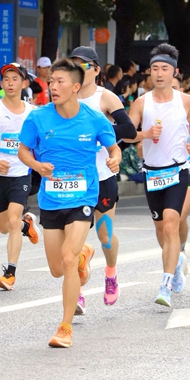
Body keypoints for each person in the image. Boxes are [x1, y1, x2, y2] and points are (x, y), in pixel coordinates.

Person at [17, 58, 120, 347]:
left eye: (60, 81)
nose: (53, 86)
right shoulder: (38, 118)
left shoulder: (94, 119)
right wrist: (36, 166)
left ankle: (65, 327)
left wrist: (114, 160)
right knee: (57, 269)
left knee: (67, 258)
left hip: (83, 196)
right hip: (51, 199)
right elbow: (23, 151)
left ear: (76, 86)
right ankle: (85, 254)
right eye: (51, 82)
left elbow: (114, 150)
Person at [127, 44, 190, 307]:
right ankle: (175, 261)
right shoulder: (141, 103)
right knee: (160, 229)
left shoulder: (185, 100)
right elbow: (128, 133)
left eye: (164, 69)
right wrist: (144, 135)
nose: (159, 73)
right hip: (153, 173)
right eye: (154, 69)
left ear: (174, 72)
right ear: (149, 73)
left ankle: (165, 283)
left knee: (170, 223)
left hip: (178, 170)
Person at [69, 46, 138, 309]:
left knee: (104, 235)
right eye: (74, 65)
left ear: (96, 70)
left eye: (84, 65)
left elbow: (129, 130)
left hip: (103, 174)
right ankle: (75, 294)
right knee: (72, 241)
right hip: (73, 177)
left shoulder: (105, 97)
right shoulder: (64, 97)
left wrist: (102, 130)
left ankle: (111, 272)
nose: (79, 70)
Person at [0, 62, 39, 291]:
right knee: (5, 227)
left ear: (23, 83)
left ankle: (10, 273)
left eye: (15, 79)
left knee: (13, 222)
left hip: (20, 173)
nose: (10, 83)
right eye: (6, 79)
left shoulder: (32, 112)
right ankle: (28, 224)